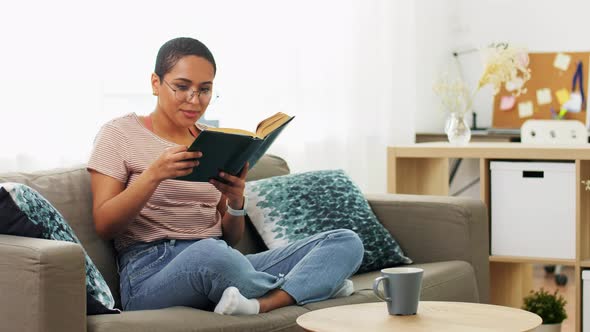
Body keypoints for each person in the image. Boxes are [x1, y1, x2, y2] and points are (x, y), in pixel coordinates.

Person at [87, 37, 364, 315]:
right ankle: (314, 286)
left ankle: (264, 302)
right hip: (150, 272)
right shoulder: (119, 134)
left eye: (204, 89)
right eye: (182, 87)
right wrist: (154, 175)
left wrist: (235, 200)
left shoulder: (212, 141)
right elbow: (105, 225)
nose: (194, 100)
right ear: (156, 83)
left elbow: (230, 238)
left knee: (345, 241)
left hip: (221, 259)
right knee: (211, 254)